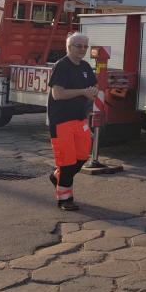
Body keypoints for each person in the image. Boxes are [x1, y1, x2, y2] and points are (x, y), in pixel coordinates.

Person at [47, 33, 98, 211]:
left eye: (85, 46)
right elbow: (58, 94)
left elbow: (93, 87)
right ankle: (65, 199)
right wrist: (83, 92)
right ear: (69, 47)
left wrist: (92, 92)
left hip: (80, 119)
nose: (83, 49)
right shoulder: (61, 66)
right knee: (67, 162)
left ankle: (57, 177)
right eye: (79, 46)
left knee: (82, 157)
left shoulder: (85, 66)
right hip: (61, 121)